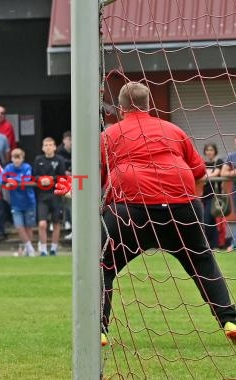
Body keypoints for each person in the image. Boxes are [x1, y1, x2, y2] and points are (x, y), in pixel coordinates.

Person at [55, 81, 236, 345]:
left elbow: (94, 180)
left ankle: (100, 330)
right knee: (203, 261)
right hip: (182, 208)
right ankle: (229, 320)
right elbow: (199, 175)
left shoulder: (110, 135)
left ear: (120, 108)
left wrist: (75, 189)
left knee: (102, 265)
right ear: (150, 104)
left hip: (131, 211)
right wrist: (189, 206)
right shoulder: (174, 130)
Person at [33, 137, 66, 256]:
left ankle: (53, 248)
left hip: (56, 194)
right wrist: (41, 180)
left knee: (56, 223)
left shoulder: (60, 160)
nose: (48, 147)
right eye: (46, 145)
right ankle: (43, 249)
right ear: (42, 147)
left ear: (54, 147)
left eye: (50, 145)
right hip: (42, 195)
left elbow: (63, 176)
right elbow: (34, 175)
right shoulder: (38, 159)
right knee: (42, 224)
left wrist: (52, 179)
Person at [3, 148, 36, 257]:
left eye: (19, 158)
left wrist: (12, 180)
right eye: (14, 158)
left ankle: (28, 251)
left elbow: (26, 179)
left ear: (23, 158)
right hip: (16, 203)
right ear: (11, 158)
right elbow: (2, 178)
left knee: (29, 227)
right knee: (19, 226)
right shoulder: (8, 167)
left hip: (29, 201)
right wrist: (7, 180)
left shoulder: (27, 167)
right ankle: (30, 248)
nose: (16, 160)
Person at [201, 143, 224, 249]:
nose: (209, 152)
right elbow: (200, 175)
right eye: (207, 150)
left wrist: (206, 175)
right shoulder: (203, 163)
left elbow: (215, 173)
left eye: (211, 150)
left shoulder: (218, 162)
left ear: (215, 151)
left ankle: (210, 245)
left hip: (214, 196)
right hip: (204, 196)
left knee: (207, 220)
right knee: (211, 221)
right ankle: (214, 245)